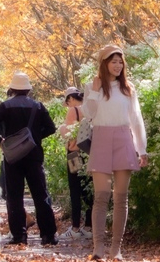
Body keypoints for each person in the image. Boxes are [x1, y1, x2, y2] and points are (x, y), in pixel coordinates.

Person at [82, 44, 148, 261]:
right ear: (104, 63)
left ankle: (116, 249)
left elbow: (136, 120)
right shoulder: (94, 88)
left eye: (120, 62)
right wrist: (93, 89)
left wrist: (142, 149)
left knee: (121, 198)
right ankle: (98, 248)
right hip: (101, 139)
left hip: (123, 139)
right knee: (101, 198)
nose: (118, 65)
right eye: (113, 61)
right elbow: (89, 114)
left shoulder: (128, 89)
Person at [0, 72, 58, 246]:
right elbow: (51, 128)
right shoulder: (38, 106)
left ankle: (19, 236)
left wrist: (1, 141)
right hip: (34, 156)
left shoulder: (5, 106)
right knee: (41, 195)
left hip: (13, 158)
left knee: (15, 197)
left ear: (12, 89)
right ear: (28, 90)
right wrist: (35, 138)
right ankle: (48, 235)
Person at [58, 87, 93, 240]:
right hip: (90, 154)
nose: (67, 105)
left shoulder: (74, 111)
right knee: (89, 190)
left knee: (75, 190)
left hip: (74, 155)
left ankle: (75, 228)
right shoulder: (91, 109)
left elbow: (68, 133)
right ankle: (90, 227)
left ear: (71, 99)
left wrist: (61, 128)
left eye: (67, 102)